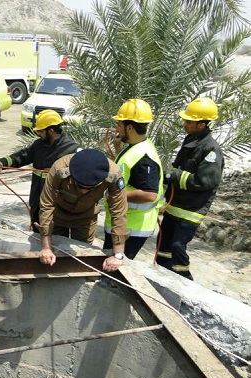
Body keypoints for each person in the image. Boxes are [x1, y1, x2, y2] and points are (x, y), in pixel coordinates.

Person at [156, 98, 224, 280]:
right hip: (174, 206)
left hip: (190, 210)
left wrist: (173, 176)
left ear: (201, 124)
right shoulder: (191, 141)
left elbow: (205, 181)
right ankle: (163, 279)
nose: (184, 124)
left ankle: (186, 283)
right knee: (163, 248)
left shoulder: (211, 149)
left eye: (188, 121)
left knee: (178, 247)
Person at [38, 149, 129, 272]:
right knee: (53, 256)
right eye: (80, 186)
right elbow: (47, 205)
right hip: (58, 215)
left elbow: (119, 212)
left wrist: (118, 256)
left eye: (90, 188)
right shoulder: (59, 168)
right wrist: (46, 247)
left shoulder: (113, 174)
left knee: (83, 257)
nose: (83, 191)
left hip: (86, 217)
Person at [0, 109, 81, 231]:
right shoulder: (39, 145)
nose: (38, 134)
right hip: (37, 201)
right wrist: (2, 162)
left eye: (40, 131)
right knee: (37, 232)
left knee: (57, 236)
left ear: (51, 131)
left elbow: (84, 173)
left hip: (57, 205)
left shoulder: (72, 150)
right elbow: (22, 156)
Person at [103, 99, 163, 259]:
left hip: (132, 228)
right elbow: (127, 174)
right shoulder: (135, 148)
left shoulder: (144, 158)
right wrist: (117, 149)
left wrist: (116, 195)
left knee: (115, 270)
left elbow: (150, 194)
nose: (117, 129)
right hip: (122, 223)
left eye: (119, 125)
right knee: (108, 267)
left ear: (130, 127)